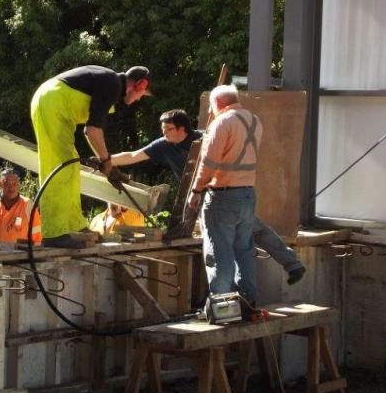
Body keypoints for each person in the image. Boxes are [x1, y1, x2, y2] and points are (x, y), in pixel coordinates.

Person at [111, 108, 305, 285]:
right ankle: (247, 285)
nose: (164, 133)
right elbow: (133, 156)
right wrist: (105, 159)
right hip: (198, 197)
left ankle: (272, 273)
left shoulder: (207, 138)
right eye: (163, 129)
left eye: (168, 129)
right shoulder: (164, 145)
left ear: (181, 129)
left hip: (222, 194)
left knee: (241, 237)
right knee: (228, 241)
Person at [30, 65, 152, 248]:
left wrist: (107, 162)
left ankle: (75, 226)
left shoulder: (110, 84)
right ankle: (53, 233)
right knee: (58, 169)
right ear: (140, 85)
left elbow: (93, 131)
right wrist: (107, 163)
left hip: (53, 105)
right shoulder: (112, 85)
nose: (139, 99)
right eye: (143, 94)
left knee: (70, 168)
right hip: (51, 104)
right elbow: (92, 131)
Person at [188, 84, 262, 306]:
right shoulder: (254, 121)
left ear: (217, 103)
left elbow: (208, 163)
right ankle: (247, 304)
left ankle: (222, 307)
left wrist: (196, 190)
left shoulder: (222, 122)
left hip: (223, 195)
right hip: (248, 194)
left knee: (219, 253)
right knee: (244, 251)